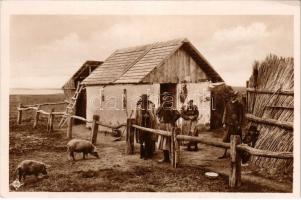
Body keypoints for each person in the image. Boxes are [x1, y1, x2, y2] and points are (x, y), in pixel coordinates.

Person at [156, 92, 181, 163]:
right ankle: (165, 158)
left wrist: (172, 120)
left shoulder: (171, 106)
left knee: (169, 142)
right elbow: (157, 112)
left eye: (166, 96)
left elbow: (178, 114)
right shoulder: (161, 106)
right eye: (163, 96)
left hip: (170, 126)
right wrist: (160, 119)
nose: (164, 98)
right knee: (163, 142)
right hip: (163, 126)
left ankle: (171, 158)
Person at [219, 91, 244, 159]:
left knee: (237, 139)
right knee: (226, 139)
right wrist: (224, 122)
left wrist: (239, 124)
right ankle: (224, 153)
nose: (233, 97)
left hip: (236, 125)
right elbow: (225, 113)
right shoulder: (228, 104)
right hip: (228, 124)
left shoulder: (239, 104)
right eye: (232, 96)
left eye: (234, 96)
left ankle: (237, 154)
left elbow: (241, 115)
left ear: (236, 96)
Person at [135, 94, 157, 160]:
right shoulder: (139, 106)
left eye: (145, 98)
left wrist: (149, 116)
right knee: (142, 140)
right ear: (141, 99)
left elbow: (154, 116)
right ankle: (142, 154)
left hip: (149, 125)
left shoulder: (151, 105)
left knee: (148, 140)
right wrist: (137, 123)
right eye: (143, 98)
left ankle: (148, 154)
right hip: (141, 125)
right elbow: (137, 116)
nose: (144, 100)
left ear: (147, 99)